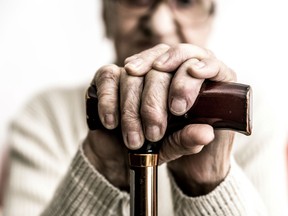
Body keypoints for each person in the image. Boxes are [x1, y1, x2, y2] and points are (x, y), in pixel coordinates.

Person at [2, 0, 288, 215]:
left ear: (211, 19)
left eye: (186, 2)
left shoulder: (248, 113)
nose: (160, 25)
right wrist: (101, 168)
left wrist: (209, 182)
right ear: (105, 14)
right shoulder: (46, 116)